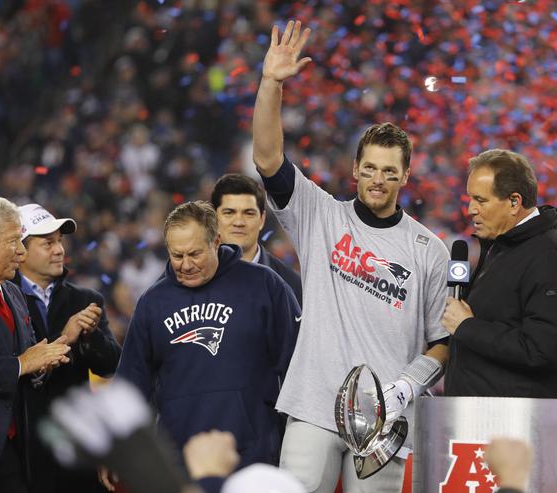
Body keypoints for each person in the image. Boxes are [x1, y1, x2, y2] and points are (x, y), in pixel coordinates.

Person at [253, 20, 450, 493]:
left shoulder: (430, 250)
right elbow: (266, 159)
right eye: (369, 169)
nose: (377, 179)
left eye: (389, 171)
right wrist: (271, 83)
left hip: (385, 420)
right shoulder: (320, 215)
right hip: (313, 405)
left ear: (406, 176)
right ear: (355, 170)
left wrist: (404, 389)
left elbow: (441, 342)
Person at [101, 201, 300, 493]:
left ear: (216, 241)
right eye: (176, 255)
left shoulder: (264, 285)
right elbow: (132, 382)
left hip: (255, 460)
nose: (185, 264)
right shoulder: (153, 303)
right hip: (179, 465)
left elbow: (297, 366)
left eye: (194, 253)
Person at [441, 149, 557, 397]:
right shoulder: (502, 248)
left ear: (514, 202)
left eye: (481, 200)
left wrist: (468, 327)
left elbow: (543, 350)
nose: (471, 210)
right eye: (470, 199)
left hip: (518, 426)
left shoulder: (551, 257)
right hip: (481, 422)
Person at [12, 203, 121, 493]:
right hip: (24, 450)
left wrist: (91, 335)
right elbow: (11, 368)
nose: (59, 249)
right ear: (20, 251)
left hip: (78, 447)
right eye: (47, 243)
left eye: (59, 241)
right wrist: (67, 335)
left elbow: (110, 365)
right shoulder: (1, 300)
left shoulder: (86, 298)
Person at [0, 195, 71, 493]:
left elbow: (31, 358)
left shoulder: (13, 294)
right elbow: (22, 361)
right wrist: (23, 363)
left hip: (18, 450)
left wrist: (50, 355)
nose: (20, 253)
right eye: (12, 242)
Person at [211, 173, 302, 306]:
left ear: (262, 219)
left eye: (249, 213)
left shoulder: (290, 284)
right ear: (213, 218)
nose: (239, 222)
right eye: (229, 212)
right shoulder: (194, 276)